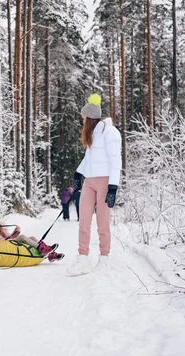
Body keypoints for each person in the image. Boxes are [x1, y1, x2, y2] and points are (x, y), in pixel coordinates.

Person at [67, 93, 122, 275]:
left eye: (83, 116)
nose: (82, 119)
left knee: (102, 223)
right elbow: (88, 158)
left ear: (89, 117)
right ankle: (82, 259)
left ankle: (104, 259)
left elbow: (116, 160)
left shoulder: (110, 132)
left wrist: (113, 187)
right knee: (83, 221)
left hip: (106, 181)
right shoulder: (92, 134)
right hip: (89, 182)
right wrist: (78, 173)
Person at [0, 209, 65, 262]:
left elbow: (10, 237)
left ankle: (50, 254)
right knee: (23, 237)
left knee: (32, 238)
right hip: (2, 245)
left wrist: (16, 231)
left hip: (8, 243)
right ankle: (44, 250)